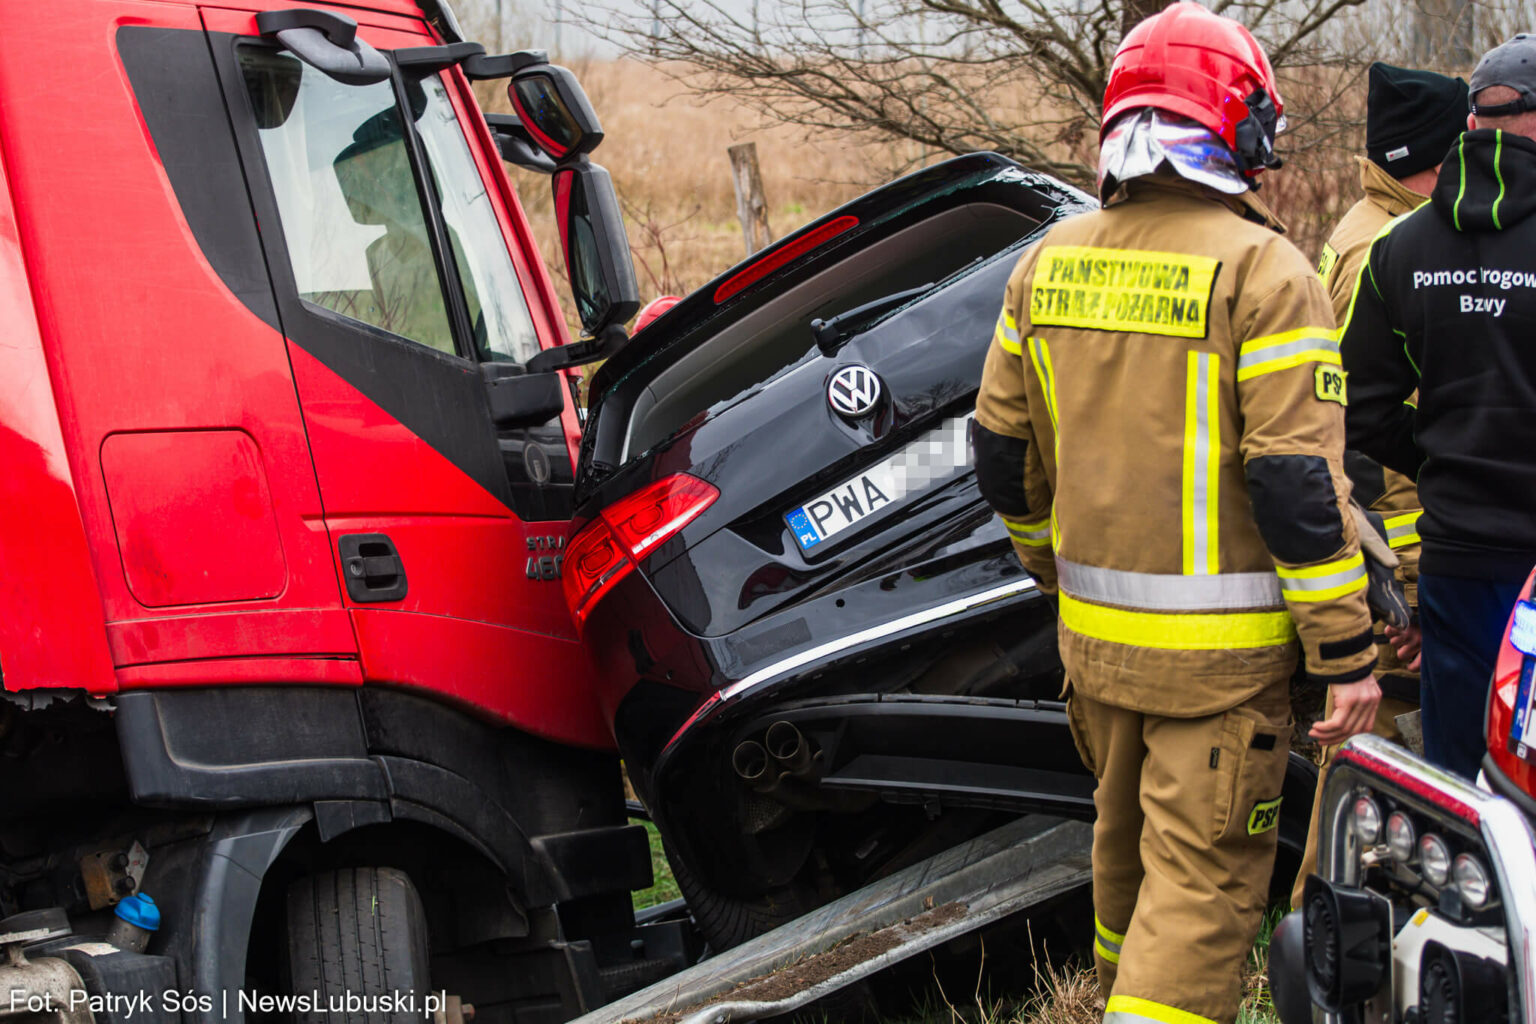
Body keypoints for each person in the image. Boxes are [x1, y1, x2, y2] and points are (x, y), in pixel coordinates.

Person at [972, 5, 1380, 1021]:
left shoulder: (1047, 261)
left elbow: (1001, 458)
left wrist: (1054, 574)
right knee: (1199, 895)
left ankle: (1114, 996)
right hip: (1220, 673)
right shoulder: (1264, 272)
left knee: (1124, 867)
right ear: (1240, 127)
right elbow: (1295, 485)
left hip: (1096, 652)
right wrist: (1346, 654)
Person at [1290, 62, 1468, 909]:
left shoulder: (1369, 223)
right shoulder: (1388, 247)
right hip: (1397, 542)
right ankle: (1320, 933)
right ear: (1432, 157)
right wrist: (1398, 584)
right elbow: (1356, 424)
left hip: (1385, 534)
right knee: (1373, 767)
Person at [1340, 34, 1536, 780]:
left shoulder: (1400, 245)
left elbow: (1356, 403)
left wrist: (1442, 456)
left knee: (1461, 780)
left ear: (1473, 124)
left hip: (1456, 561)